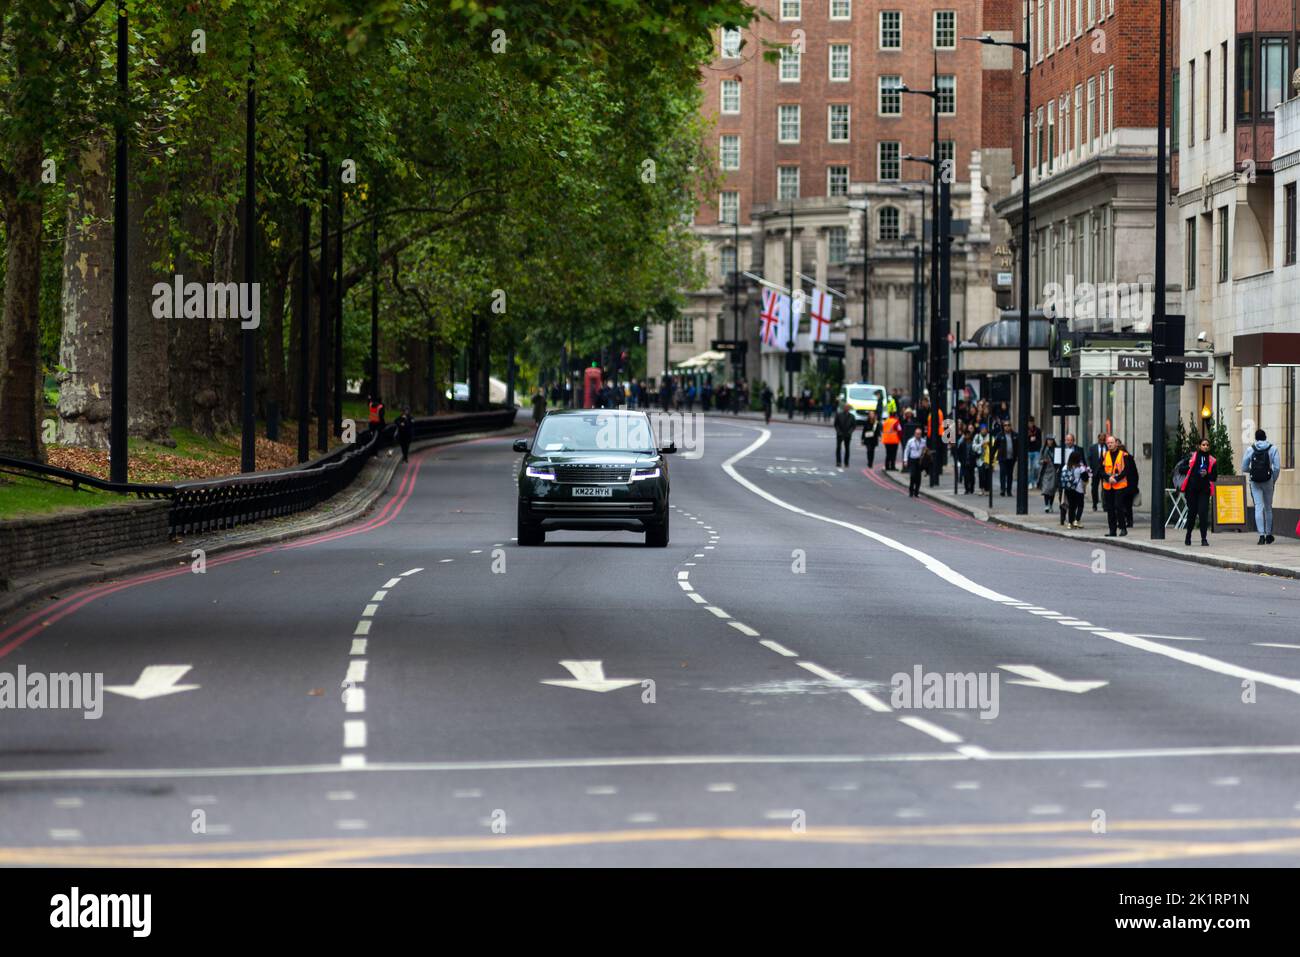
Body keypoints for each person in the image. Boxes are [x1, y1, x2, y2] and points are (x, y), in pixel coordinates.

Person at [1242, 428, 1282, 545]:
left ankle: (1261, 536)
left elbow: (1244, 467)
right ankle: (1269, 535)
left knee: (1258, 507)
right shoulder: (1273, 448)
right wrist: (1272, 479)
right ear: (1265, 437)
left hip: (1255, 481)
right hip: (1268, 480)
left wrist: (1253, 471)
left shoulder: (1250, 449)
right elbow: (1277, 467)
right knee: (1268, 507)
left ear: (1256, 438)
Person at [1180, 436, 1217, 547]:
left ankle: (1204, 538)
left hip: (1204, 490)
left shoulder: (1212, 460)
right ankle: (1188, 535)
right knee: (1192, 513)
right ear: (1199, 446)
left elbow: (1214, 477)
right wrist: (1190, 467)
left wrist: (1207, 474)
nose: (1205, 447)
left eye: (1207, 445)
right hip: (1192, 489)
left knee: (1203, 513)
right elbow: (1181, 469)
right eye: (1203, 445)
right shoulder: (1192, 457)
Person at [1101, 435, 1135, 537]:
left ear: (1116, 443)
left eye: (1111, 442)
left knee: (1118, 506)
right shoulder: (1104, 455)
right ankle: (1112, 531)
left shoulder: (1123, 455)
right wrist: (1108, 478)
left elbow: (1126, 470)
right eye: (1108, 443)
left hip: (1120, 485)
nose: (1110, 445)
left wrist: (1116, 478)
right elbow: (1100, 470)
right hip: (1108, 485)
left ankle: (1123, 528)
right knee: (1110, 508)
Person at [1061, 448, 1088, 529]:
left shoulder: (1065, 466)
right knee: (1080, 505)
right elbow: (1085, 478)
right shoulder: (1080, 468)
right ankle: (1077, 520)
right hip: (1078, 489)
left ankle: (1070, 523)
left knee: (1071, 506)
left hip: (1068, 489)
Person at [903, 427, 928, 497]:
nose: (918, 435)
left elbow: (925, 450)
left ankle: (916, 492)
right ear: (915, 434)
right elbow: (906, 451)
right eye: (917, 434)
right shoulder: (910, 441)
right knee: (912, 476)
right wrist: (905, 460)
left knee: (918, 477)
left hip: (919, 461)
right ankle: (911, 491)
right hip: (912, 460)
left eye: (919, 434)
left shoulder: (923, 441)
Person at [995, 420, 1018, 496]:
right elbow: (995, 447)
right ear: (1003, 427)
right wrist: (991, 456)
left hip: (1011, 458)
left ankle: (1009, 490)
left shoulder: (1015, 435)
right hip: (1002, 458)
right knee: (1002, 474)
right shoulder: (999, 435)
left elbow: (1018, 447)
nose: (1007, 427)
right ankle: (1002, 489)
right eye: (1005, 425)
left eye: (1008, 425)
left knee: (1010, 475)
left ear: (1011, 426)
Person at [1087, 433, 1107, 512]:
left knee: (1105, 488)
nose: (1102, 441)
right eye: (1100, 440)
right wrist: (1089, 468)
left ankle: (1104, 504)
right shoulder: (1092, 447)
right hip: (1095, 470)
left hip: (1105, 471)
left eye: (1103, 440)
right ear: (1098, 439)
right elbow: (1089, 458)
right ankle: (1095, 504)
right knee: (1094, 488)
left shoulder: (1107, 447)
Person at [1038, 436, 1059, 513]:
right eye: (1048, 440)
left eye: (1051, 440)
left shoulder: (1056, 450)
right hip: (1046, 471)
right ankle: (1046, 505)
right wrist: (1043, 461)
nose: (1050, 442)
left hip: (1053, 471)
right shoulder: (1043, 449)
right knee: (1046, 489)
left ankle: (1051, 504)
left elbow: (1059, 460)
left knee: (1052, 489)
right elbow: (1039, 460)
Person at [834, 402, 856, 468]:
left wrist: (850, 432)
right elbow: (836, 424)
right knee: (838, 448)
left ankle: (846, 463)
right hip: (840, 434)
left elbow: (853, 426)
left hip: (847, 435)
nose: (846, 408)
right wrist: (838, 432)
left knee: (847, 449)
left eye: (848, 407)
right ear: (844, 408)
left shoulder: (852, 416)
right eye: (845, 407)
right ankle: (838, 462)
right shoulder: (839, 415)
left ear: (849, 408)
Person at [957, 424, 977, 494]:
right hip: (965, 463)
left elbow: (976, 452)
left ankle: (972, 489)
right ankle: (966, 489)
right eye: (966, 435)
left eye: (968, 435)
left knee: (972, 477)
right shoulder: (962, 444)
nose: (967, 436)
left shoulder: (973, 443)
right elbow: (959, 453)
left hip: (971, 463)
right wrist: (961, 460)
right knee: (966, 477)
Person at [1026, 417, 1042, 488]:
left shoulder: (1038, 430)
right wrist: (1030, 439)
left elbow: (1040, 441)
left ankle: (1035, 481)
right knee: (1029, 468)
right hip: (1028, 451)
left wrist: (1035, 441)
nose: (1030, 424)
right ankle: (1030, 482)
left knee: (1036, 467)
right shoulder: (1025, 430)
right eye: (1029, 423)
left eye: (1031, 423)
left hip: (1036, 451)